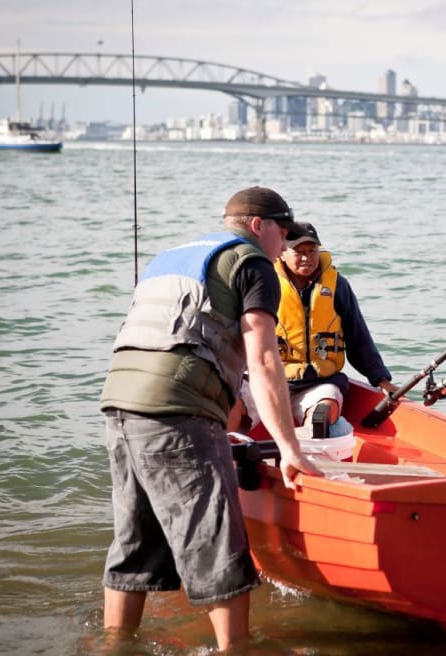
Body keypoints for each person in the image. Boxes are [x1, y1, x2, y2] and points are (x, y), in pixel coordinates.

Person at [99, 186, 324, 651]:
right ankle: (236, 648)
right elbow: (263, 361)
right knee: (218, 538)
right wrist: (290, 450)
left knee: (134, 541)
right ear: (258, 226)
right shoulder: (252, 261)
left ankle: (114, 643)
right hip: (175, 409)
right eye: (283, 234)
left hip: (119, 401)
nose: (284, 247)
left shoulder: (170, 256)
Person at [272, 221, 397, 436]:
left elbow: (358, 335)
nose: (307, 258)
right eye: (299, 252)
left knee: (322, 414)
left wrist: (381, 380)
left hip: (320, 383)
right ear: (283, 252)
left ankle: (313, 452)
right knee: (236, 409)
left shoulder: (337, 284)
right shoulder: (265, 281)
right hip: (271, 381)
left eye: (312, 251)